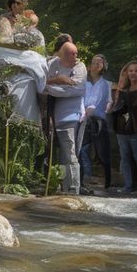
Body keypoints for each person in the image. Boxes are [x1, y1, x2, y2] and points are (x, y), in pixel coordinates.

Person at [43, 41, 87, 195]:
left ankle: (74, 188)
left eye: (76, 53)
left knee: (70, 153)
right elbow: (43, 83)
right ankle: (63, 186)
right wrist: (58, 80)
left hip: (72, 115)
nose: (75, 57)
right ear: (62, 54)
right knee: (60, 155)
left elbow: (77, 89)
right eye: (71, 54)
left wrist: (52, 87)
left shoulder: (80, 67)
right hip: (54, 116)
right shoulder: (53, 63)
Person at [112, 60, 137, 193]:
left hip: (136, 128)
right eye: (130, 71)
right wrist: (120, 89)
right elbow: (117, 108)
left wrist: (123, 92)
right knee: (125, 157)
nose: (133, 73)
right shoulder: (123, 90)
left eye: (136, 71)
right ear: (127, 73)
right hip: (121, 129)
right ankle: (128, 185)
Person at [79, 54, 112, 191]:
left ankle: (108, 184)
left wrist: (91, 110)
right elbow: (79, 98)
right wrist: (83, 112)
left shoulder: (106, 84)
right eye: (95, 62)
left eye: (101, 62)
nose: (97, 64)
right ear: (89, 66)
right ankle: (84, 180)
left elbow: (102, 101)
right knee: (83, 150)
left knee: (102, 153)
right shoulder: (83, 82)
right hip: (83, 119)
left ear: (104, 66)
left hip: (98, 121)